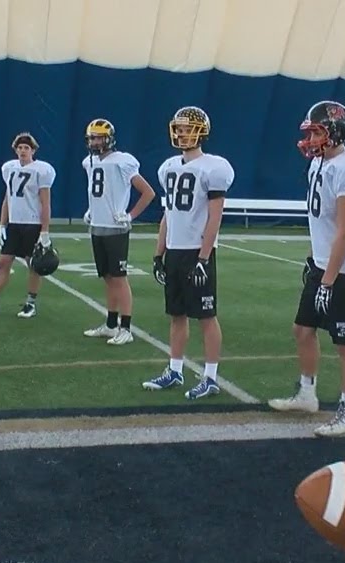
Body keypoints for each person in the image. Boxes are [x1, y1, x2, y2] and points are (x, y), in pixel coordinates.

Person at [267, 100, 345, 437]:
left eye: (316, 131)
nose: (310, 138)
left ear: (335, 131)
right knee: (303, 330)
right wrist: (317, 261)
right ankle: (307, 394)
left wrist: (328, 281)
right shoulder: (319, 164)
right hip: (323, 264)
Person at [142, 106, 235, 400]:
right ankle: (175, 369)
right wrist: (159, 253)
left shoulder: (213, 166)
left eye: (187, 128)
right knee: (177, 314)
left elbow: (215, 216)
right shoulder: (169, 166)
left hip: (197, 251)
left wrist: (204, 257)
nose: (182, 133)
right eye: (179, 128)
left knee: (206, 315)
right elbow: (168, 214)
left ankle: (210, 377)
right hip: (176, 251)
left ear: (201, 131)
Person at [80, 118, 157, 346]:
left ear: (109, 138)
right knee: (107, 277)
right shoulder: (89, 162)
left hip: (116, 229)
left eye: (98, 137)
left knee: (120, 278)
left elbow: (148, 192)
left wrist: (130, 215)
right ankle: (111, 324)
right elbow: (98, 192)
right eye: (91, 137)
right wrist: (91, 210)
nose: (94, 141)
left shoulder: (123, 161)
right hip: (98, 226)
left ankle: (126, 328)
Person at [0, 132, 56, 318]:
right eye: (20, 148)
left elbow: (46, 202)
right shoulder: (9, 168)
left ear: (33, 151)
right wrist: (2, 224)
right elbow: (8, 198)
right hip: (14, 224)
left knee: (34, 265)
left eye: (26, 148)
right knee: (3, 262)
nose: (23, 151)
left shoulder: (42, 170)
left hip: (33, 223)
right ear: (15, 150)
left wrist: (44, 231)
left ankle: (30, 304)